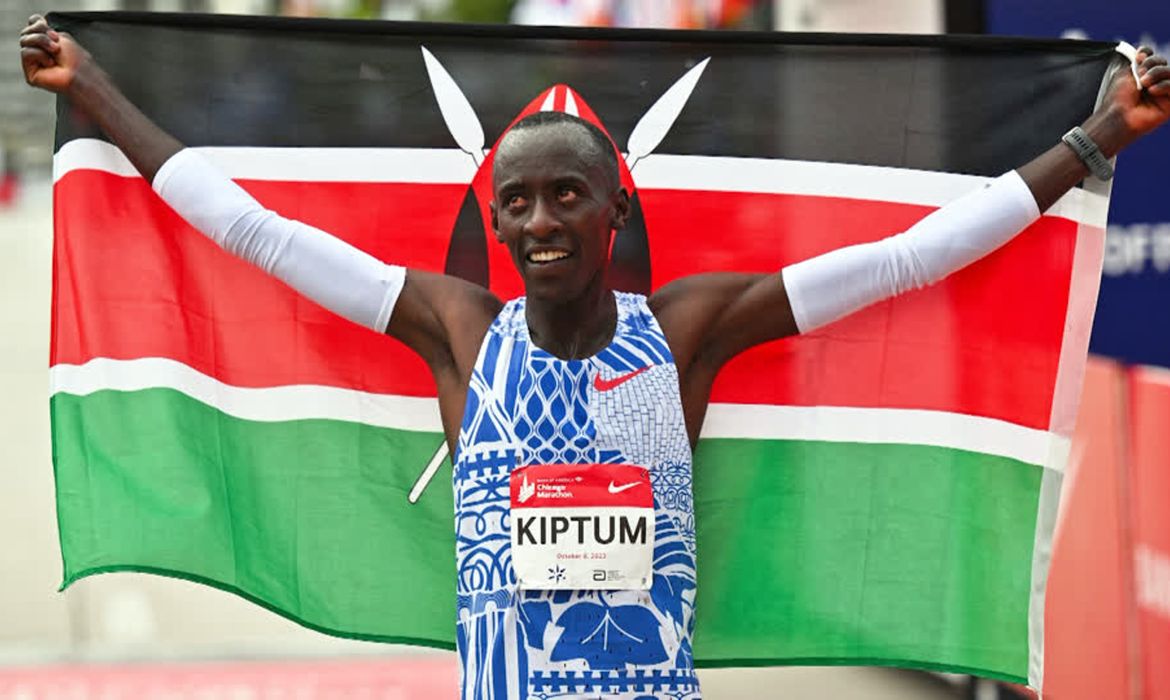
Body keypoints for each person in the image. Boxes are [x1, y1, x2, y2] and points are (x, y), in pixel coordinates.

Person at [20, 14, 1170, 700]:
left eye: (565, 194)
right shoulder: (457, 329)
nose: (538, 223)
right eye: (515, 201)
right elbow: (254, 231)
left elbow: (912, 259)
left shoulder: (685, 333)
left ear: (615, 205)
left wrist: (1093, 138)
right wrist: (98, 92)